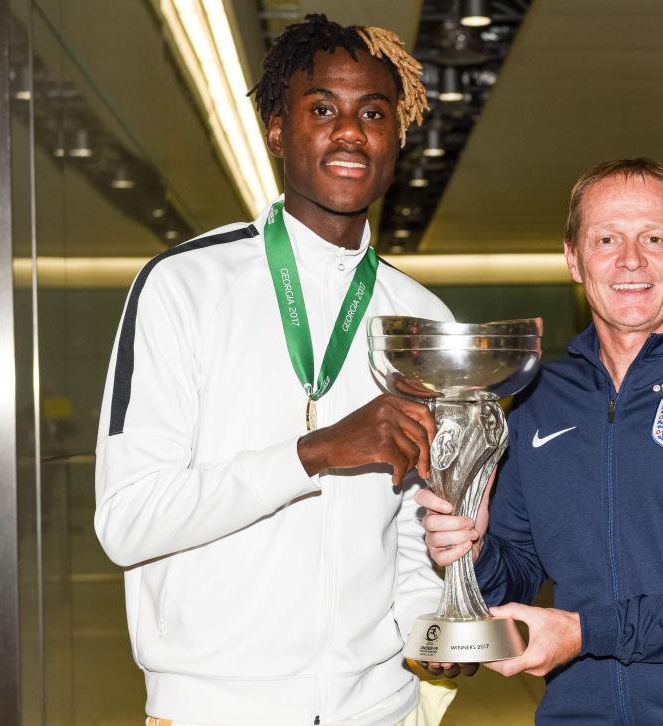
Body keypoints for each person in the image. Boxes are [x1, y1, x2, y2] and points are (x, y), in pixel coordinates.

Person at [96, 15, 467, 726]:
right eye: (322, 108)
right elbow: (128, 520)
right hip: (215, 709)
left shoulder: (419, 316)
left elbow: (420, 524)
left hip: (378, 709)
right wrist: (315, 452)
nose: (351, 132)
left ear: (397, 137)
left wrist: (428, 625)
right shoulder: (186, 285)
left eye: (374, 113)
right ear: (276, 129)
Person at [418, 158, 663, 724]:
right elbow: (516, 574)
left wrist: (588, 633)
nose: (631, 259)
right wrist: (473, 549)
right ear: (573, 259)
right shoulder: (536, 398)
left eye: (654, 237)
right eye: (606, 238)